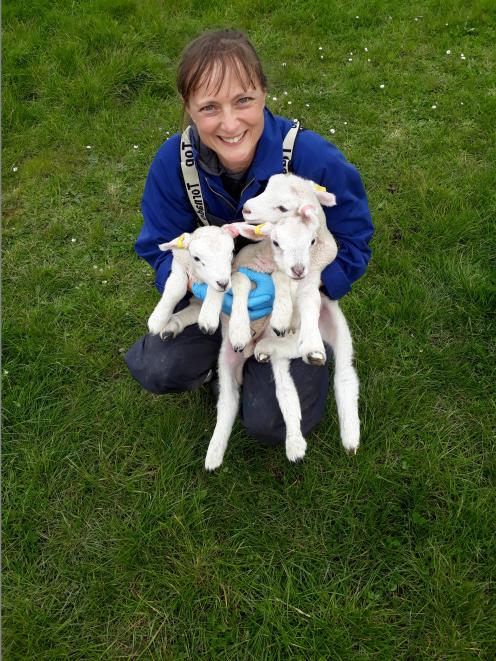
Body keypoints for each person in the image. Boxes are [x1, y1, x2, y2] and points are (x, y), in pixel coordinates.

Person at [125, 29, 373, 445]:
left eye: (244, 100)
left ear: (263, 92)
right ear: (188, 108)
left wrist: (300, 292)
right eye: (208, 107)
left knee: (271, 424)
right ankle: (215, 357)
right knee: (159, 367)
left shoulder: (311, 159)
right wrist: (202, 287)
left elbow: (353, 240)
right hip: (217, 298)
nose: (229, 123)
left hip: (289, 303)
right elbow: (159, 243)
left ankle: (301, 347)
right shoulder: (174, 163)